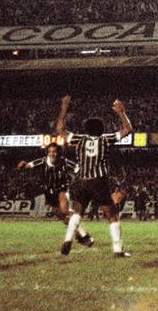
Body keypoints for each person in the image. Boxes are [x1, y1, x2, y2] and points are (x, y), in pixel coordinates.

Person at [56, 95, 133, 258]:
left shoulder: (79, 140)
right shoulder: (105, 140)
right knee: (112, 215)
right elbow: (127, 130)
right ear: (101, 130)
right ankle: (118, 251)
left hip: (81, 181)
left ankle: (68, 239)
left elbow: (60, 131)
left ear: (86, 129)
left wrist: (63, 109)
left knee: (77, 212)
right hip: (98, 182)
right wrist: (122, 113)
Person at [17, 142, 93, 247]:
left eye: (55, 151)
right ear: (47, 153)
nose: (53, 154)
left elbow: (78, 168)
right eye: (50, 152)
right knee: (63, 216)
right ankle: (81, 236)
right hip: (48, 192)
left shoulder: (64, 162)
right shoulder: (42, 161)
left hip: (62, 190)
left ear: (59, 153)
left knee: (65, 210)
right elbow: (28, 165)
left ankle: (85, 236)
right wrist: (22, 165)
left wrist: (81, 178)